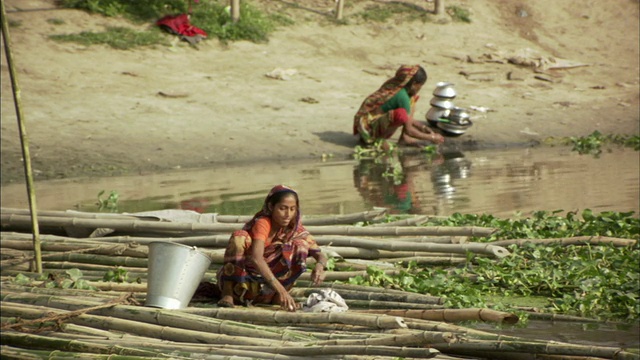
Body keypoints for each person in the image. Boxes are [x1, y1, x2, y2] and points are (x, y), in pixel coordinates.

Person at [217, 185, 327, 311]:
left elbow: (321, 255)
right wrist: (281, 291)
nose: (288, 214)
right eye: (282, 209)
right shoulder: (263, 223)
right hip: (244, 285)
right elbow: (256, 258)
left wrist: (319, 266)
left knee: (300, 245)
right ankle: (227, 293)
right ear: (271, 207)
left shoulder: (294, 228)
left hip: (268, 290)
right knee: (239, 237)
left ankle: (276, 297)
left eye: (292, 209)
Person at [353, 64, 445, 147]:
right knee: (400, 114)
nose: (419, 89)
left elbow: (408, 119)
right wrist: (432, 137)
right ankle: (378, 139)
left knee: (412, 99)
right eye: (420, 86)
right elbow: (409, 129)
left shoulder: (397, 87)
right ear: (414, 84)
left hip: (369, 122)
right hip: (367, 130)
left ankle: (404, 138)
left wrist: (423, 127)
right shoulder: (402, 97)